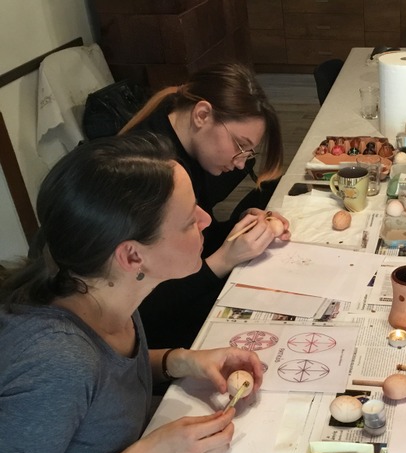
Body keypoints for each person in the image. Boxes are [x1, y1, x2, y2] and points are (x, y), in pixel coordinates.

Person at [0, 134, 263, 453]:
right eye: (189, 219)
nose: (206, 219)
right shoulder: (57, 361)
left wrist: (178, 360)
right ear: (132, 255)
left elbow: (103, 384)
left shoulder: (103, 292)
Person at [119, 62, 291, 350]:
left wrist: (241, 228)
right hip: (156, 334)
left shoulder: (185, 145)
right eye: (240, 146)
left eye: (248, 153)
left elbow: (201, 237)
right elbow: (144, 309)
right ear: (202, 115)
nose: (241, 163)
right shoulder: (150, 173)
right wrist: (224, 259)